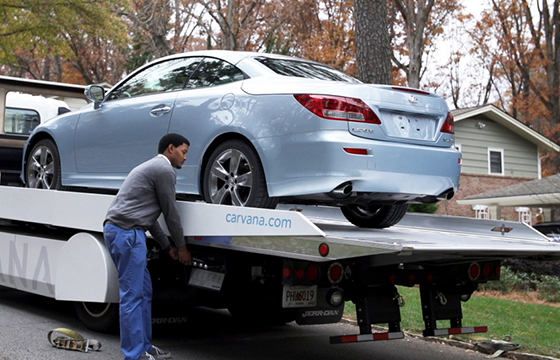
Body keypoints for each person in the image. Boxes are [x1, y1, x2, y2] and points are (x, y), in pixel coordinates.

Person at [103, 133, 193, 360]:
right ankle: (134, 355)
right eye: (183, 152)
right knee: (133, 296)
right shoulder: (164, 170)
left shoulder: (151, 168)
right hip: (127, 234)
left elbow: (149, 215)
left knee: (143, 292)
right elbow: (170, 212)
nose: (185, 158)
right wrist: (181, 247)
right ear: (170, 148)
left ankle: (144, 347)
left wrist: (166, 245)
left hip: (126, 232)